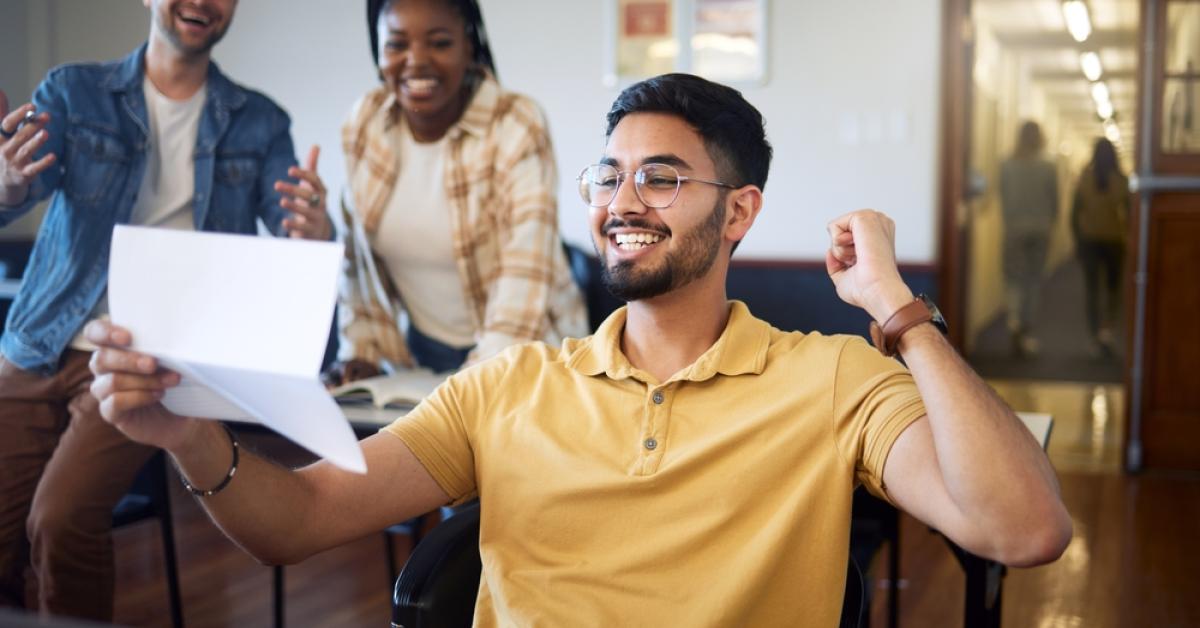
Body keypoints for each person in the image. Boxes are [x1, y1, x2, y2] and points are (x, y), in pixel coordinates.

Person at [87, 73, 1072, 627]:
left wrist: (895, 310)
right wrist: (181, 433)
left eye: (661, 178)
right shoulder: (512, 386)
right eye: (608, 178)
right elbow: (299, 518)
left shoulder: (833, 378)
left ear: (740, 213)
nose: (620, 202)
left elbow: (1023, 530)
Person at [0, 0, 332, 620]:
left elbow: (297, 233)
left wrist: (315, 229)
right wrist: (7, 184)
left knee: (60, 519)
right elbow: (18, 189)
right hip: (41, 341)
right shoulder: (74, 91)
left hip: (150, 361)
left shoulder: (259, 123)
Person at [325, 0, 586, 382]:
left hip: (526, 349)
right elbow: (358, 265)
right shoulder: (364, 122)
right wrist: (360, 352)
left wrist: (472, 386)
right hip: (418, 356)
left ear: (470, 46)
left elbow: (524, 273)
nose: (416, 61)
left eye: (439, 43)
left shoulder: (516, 123)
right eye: (396, 45)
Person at [999, 120, 1059, 357]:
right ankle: (1025, 331)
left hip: (1014, 229)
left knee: (1013, 278)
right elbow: (1055, 202)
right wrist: (1048, 222)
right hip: (1040, 229)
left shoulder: (1007, 165)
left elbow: (1003, 197)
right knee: (1033, 280)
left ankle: (1013, 320)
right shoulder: (1048, 167)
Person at [1070, 137, 1128, 357]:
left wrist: (1077, 239)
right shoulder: (1120, 180)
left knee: (1092, 289)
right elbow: (1130, 213)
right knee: (1113, 289)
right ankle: (1108, 330)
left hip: (1090, 240)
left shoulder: (1085, 178)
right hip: (1114, 240)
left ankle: (1095, 336)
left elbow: (1075, 214)